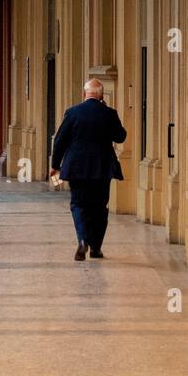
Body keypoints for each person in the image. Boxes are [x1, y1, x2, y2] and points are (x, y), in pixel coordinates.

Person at [50, 78, 127, 260]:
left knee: (78, 204)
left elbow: (60, 141)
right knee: (100, 207)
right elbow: (120, 137)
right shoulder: (109, 113)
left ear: (84, 94)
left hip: (76, 167)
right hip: (102, 167)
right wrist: (107, 114)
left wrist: (55, 165)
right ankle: (96, 248)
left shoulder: (73, 113)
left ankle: (83, 240)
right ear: (101, 96)